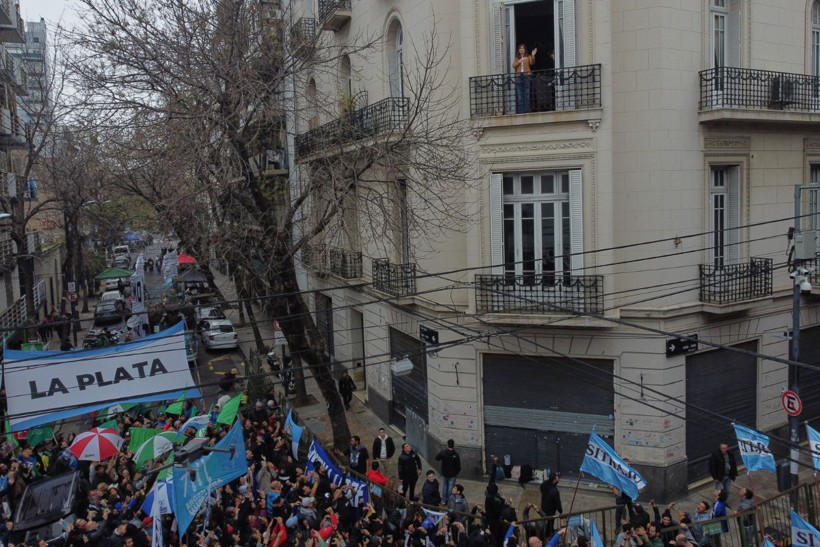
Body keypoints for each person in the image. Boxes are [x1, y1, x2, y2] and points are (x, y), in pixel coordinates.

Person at [435, 439, 461, 503]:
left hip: (445, 473)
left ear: (447, 445)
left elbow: (437, 458)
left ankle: (444, 500)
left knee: (445, 486)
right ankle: (449, 501)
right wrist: (456, 472)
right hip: (452, 474)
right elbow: (458, 466)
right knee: (451, 487)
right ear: (453, 446)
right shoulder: (455, 454)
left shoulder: (443, 453)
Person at [513, 43, 537, 113]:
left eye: (522, 48)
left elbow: (532, 63)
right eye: (520, 48)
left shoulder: (528, 56)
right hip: (519, 76)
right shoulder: (517, 58)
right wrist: (520, 60)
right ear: (518, 50)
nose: (521, 49)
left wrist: (532, 55)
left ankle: (526, 110)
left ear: (525, 50)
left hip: (527, 75)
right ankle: (521, 111)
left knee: (527, 93)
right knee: (519, 94)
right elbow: (514, 65)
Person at [540, 471, 562, 537]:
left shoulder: (544, 484)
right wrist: (560, 511)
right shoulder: (554, 491)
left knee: (546, 522)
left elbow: (542, 491)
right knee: (550, 522)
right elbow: (557, 502)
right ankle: (548, 535)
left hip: (544, 506)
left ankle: (550, 531)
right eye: (557, 478)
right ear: (554, 480)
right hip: (550, 510)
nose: (559, 479)